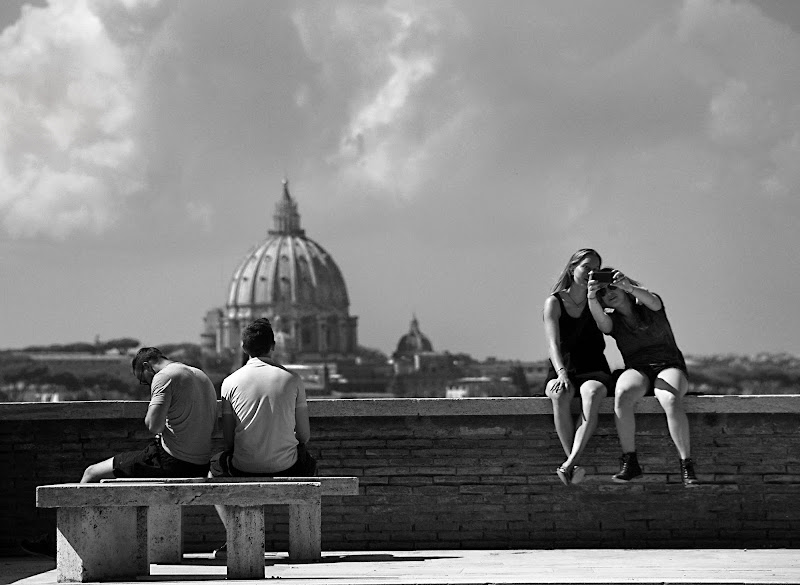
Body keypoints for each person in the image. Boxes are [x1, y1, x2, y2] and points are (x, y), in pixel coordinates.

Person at [209, 318, 314, 558]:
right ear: (273, 346)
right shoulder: (293, 380)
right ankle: (305, 541)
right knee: (309, 464)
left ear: (244, 348)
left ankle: (237, 536)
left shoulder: (229, 382)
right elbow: (304, 436)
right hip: (287, 467)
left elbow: (228, 441)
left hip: (243, 466)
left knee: (214, 469)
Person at [588, 268, 698, 486]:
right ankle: (630, 461)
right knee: (623, 394)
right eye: (602, 293)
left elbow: (653, 300)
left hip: (669, 365)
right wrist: (591, 296)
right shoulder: (612, 321)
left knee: (669, 398)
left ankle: (686, 464)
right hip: (638, 369)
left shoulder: (649, 306)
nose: (608, 293)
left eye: (612, 286)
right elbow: (601, 322)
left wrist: (628, 286)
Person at [80, 347, 218, 483]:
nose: (148, 384)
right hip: (202, 465)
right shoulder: (201, 376)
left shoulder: (164, 376)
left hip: (172, 462)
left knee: (91, 473)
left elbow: (154, 426)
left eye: (143, 380)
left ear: (146, 366)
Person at [543, 248, 612, 486]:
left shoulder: (600, 299)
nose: (590, 273)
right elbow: (552, 343)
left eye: (596, 270)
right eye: (586, 267)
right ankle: (573, 463)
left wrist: (597, 297)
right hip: (564, 367)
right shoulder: (554, 302)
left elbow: (607, 328)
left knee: (591, 394)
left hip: (594, 367)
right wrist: (561, 372)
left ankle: (569, 464)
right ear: (573, 268)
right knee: (559, 393)